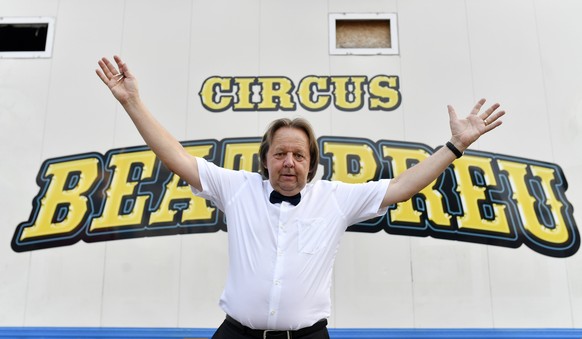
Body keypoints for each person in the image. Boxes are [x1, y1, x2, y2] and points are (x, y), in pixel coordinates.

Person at [96, 55, 505, 339]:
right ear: (266, 160)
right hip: (235, 337)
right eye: (280, 153)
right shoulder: (238, 189)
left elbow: (402, 186)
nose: (288, 162)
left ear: (311, 163)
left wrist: (454, 147)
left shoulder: (336, 199)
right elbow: (178, 157)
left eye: (298, 154)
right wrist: (131, 101)